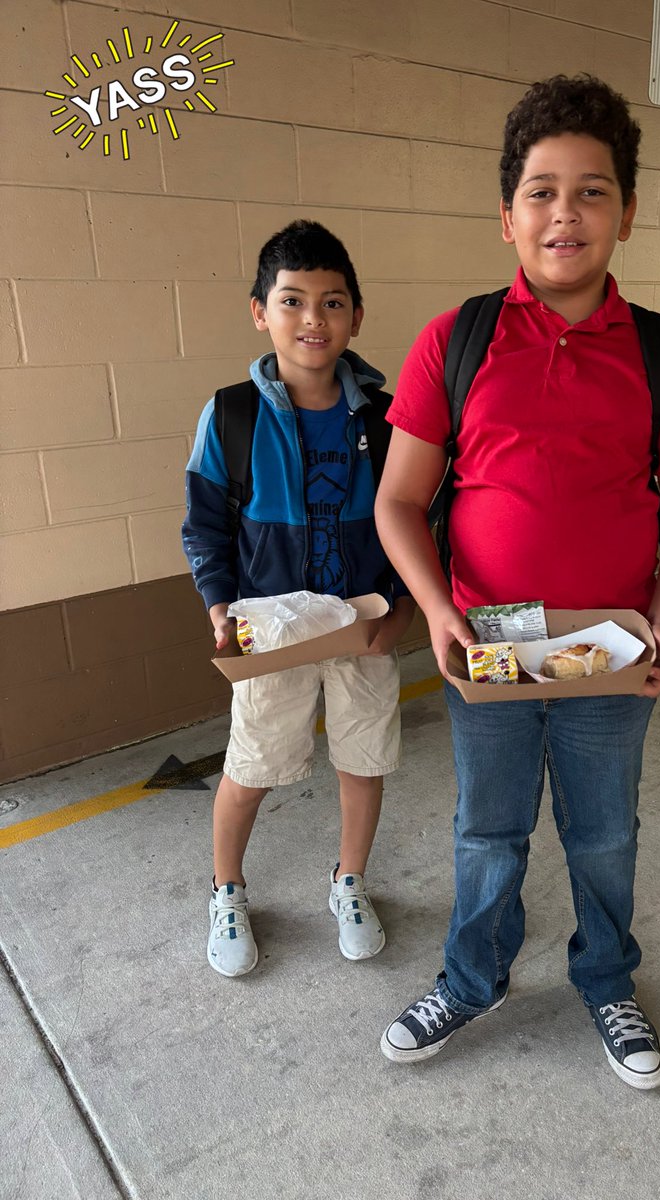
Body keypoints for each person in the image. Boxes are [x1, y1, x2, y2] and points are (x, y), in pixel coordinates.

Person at [374, 75, 660, 1089]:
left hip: (606, 656)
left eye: (591, 191)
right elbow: (398, 504)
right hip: (485, 649)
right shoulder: (459, 340)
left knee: (603, 831)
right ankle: (473, 977)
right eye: (540, 191)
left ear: (626, 212)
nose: (564, 213)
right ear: (506, 216)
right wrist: (439, 613)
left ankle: (607, 978)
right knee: (487, 831)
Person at [182, 220, 414, 977]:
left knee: (363, 761)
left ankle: (349, 881)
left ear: (356, 315)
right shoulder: (232, 416)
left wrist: (403, 608)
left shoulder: (386, 420)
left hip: (364, 627)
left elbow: (416, 517)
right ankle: (226, 887)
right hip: (271, 633)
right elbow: (205, 524)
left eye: (333, 302)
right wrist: (221, 606)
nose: (314, 319)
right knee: (250, 766)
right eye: (293, 301)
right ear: (261, 312)